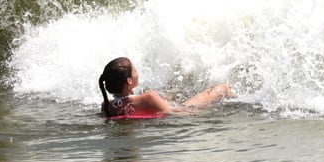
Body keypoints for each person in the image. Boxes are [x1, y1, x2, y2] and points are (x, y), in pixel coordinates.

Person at [99, 57, 233, 118]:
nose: (137, 73)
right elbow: (176, 113)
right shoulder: (148, 97)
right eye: (135, 71)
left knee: (170, 93)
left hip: (155, 109)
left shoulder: (106, 105)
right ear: (129, 81)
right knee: (221, 88)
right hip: (180, 110)